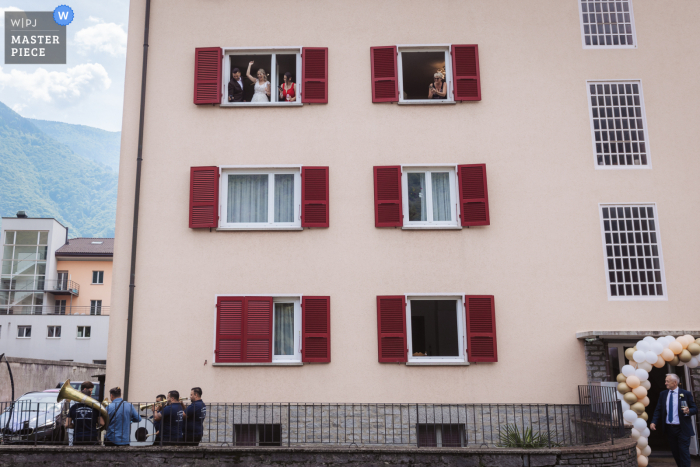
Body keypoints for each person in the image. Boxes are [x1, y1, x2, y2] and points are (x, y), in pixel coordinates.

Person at [651, 373, 698, 467]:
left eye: (667, 381)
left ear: (675, 382)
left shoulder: (685, 393)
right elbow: (658, 409)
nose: (665, 383)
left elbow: (695, 409)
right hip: (670, 429)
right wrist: (653, 421)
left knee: (684, 452)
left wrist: (689, 411)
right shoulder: (663, 394)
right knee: (676, 453)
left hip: (682, 429)